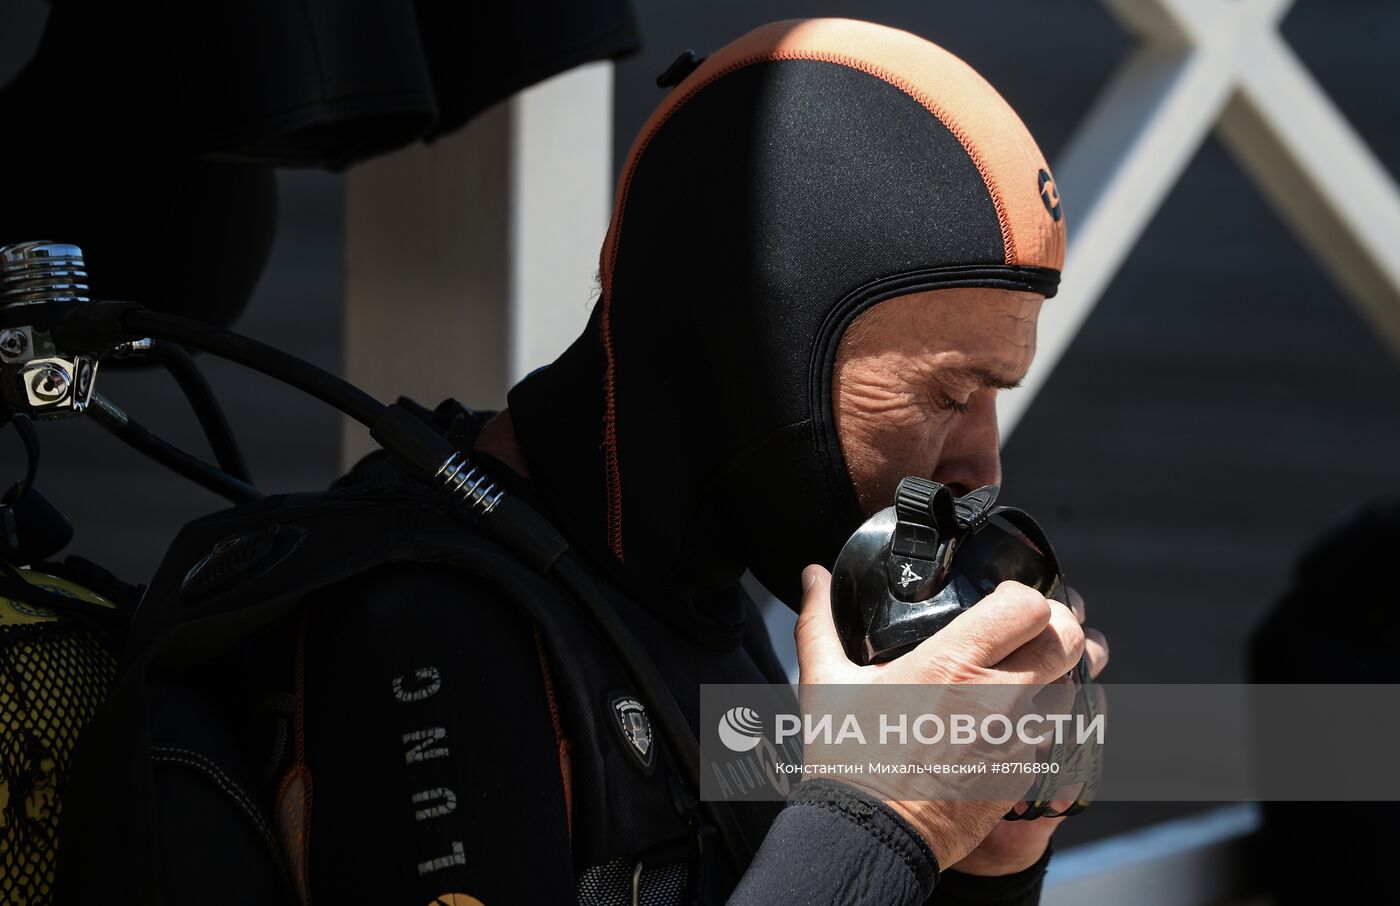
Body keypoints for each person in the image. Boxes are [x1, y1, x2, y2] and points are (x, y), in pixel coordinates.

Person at [296, 18, 1108, 905]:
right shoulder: (424, 631)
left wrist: (983, 854)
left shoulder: (697, 608)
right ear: (754, 353)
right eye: (949, 395)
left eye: (995, 396)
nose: (984, 468)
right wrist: (885, 814)